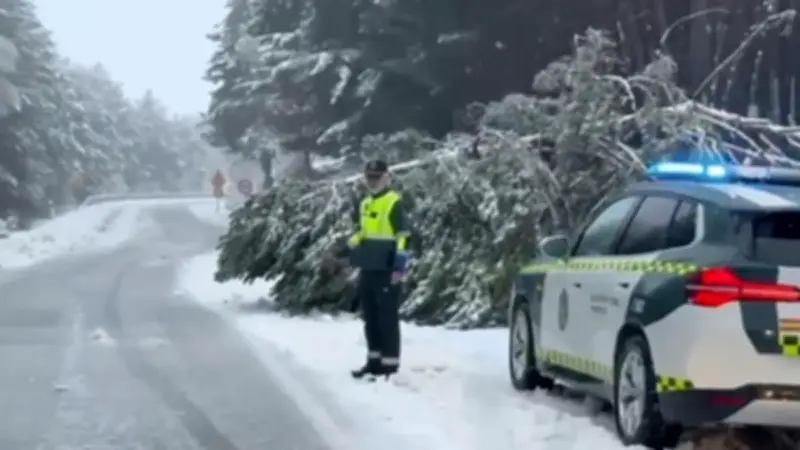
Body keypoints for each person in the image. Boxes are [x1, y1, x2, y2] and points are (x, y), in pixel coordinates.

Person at [338, 159, 411, 379]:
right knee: (370, 317)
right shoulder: (366, 203)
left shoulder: (393, 202)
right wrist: (349, 244)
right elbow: (365, 231)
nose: (372, 181)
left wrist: (400, 262)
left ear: (386, 177)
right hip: (368, 266)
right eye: (369, 177)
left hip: (387, 268)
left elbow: (403, 235)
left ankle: (389, 364)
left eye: (376, 177)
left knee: (386, 317)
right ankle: (373, 360)